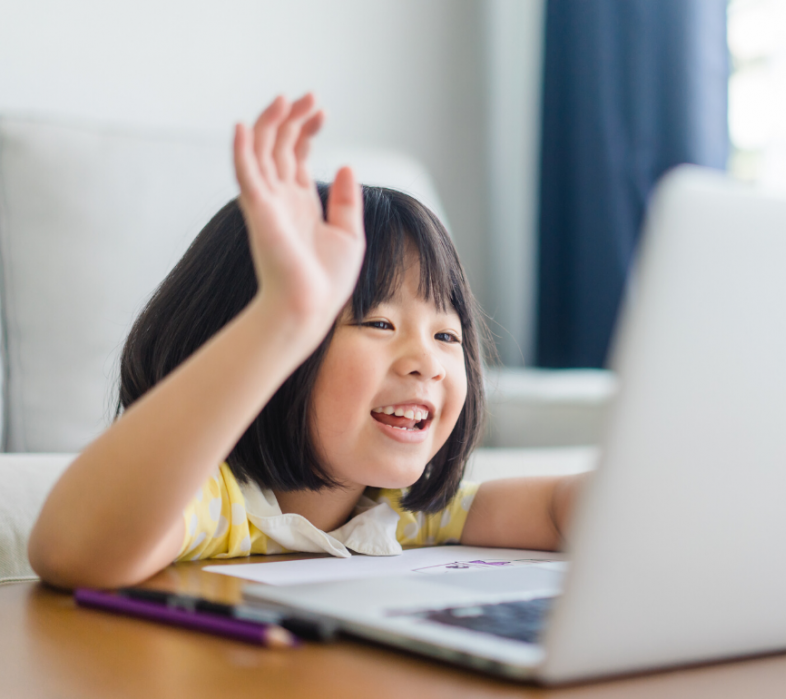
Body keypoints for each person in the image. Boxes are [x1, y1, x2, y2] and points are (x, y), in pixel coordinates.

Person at [28, 94, 585, 590]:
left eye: (447, 335)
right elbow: (73, 552)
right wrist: (283, 317)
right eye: (379, 323)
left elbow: (563, 511)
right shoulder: (217, 502)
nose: (428, 364)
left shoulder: (403, 511)